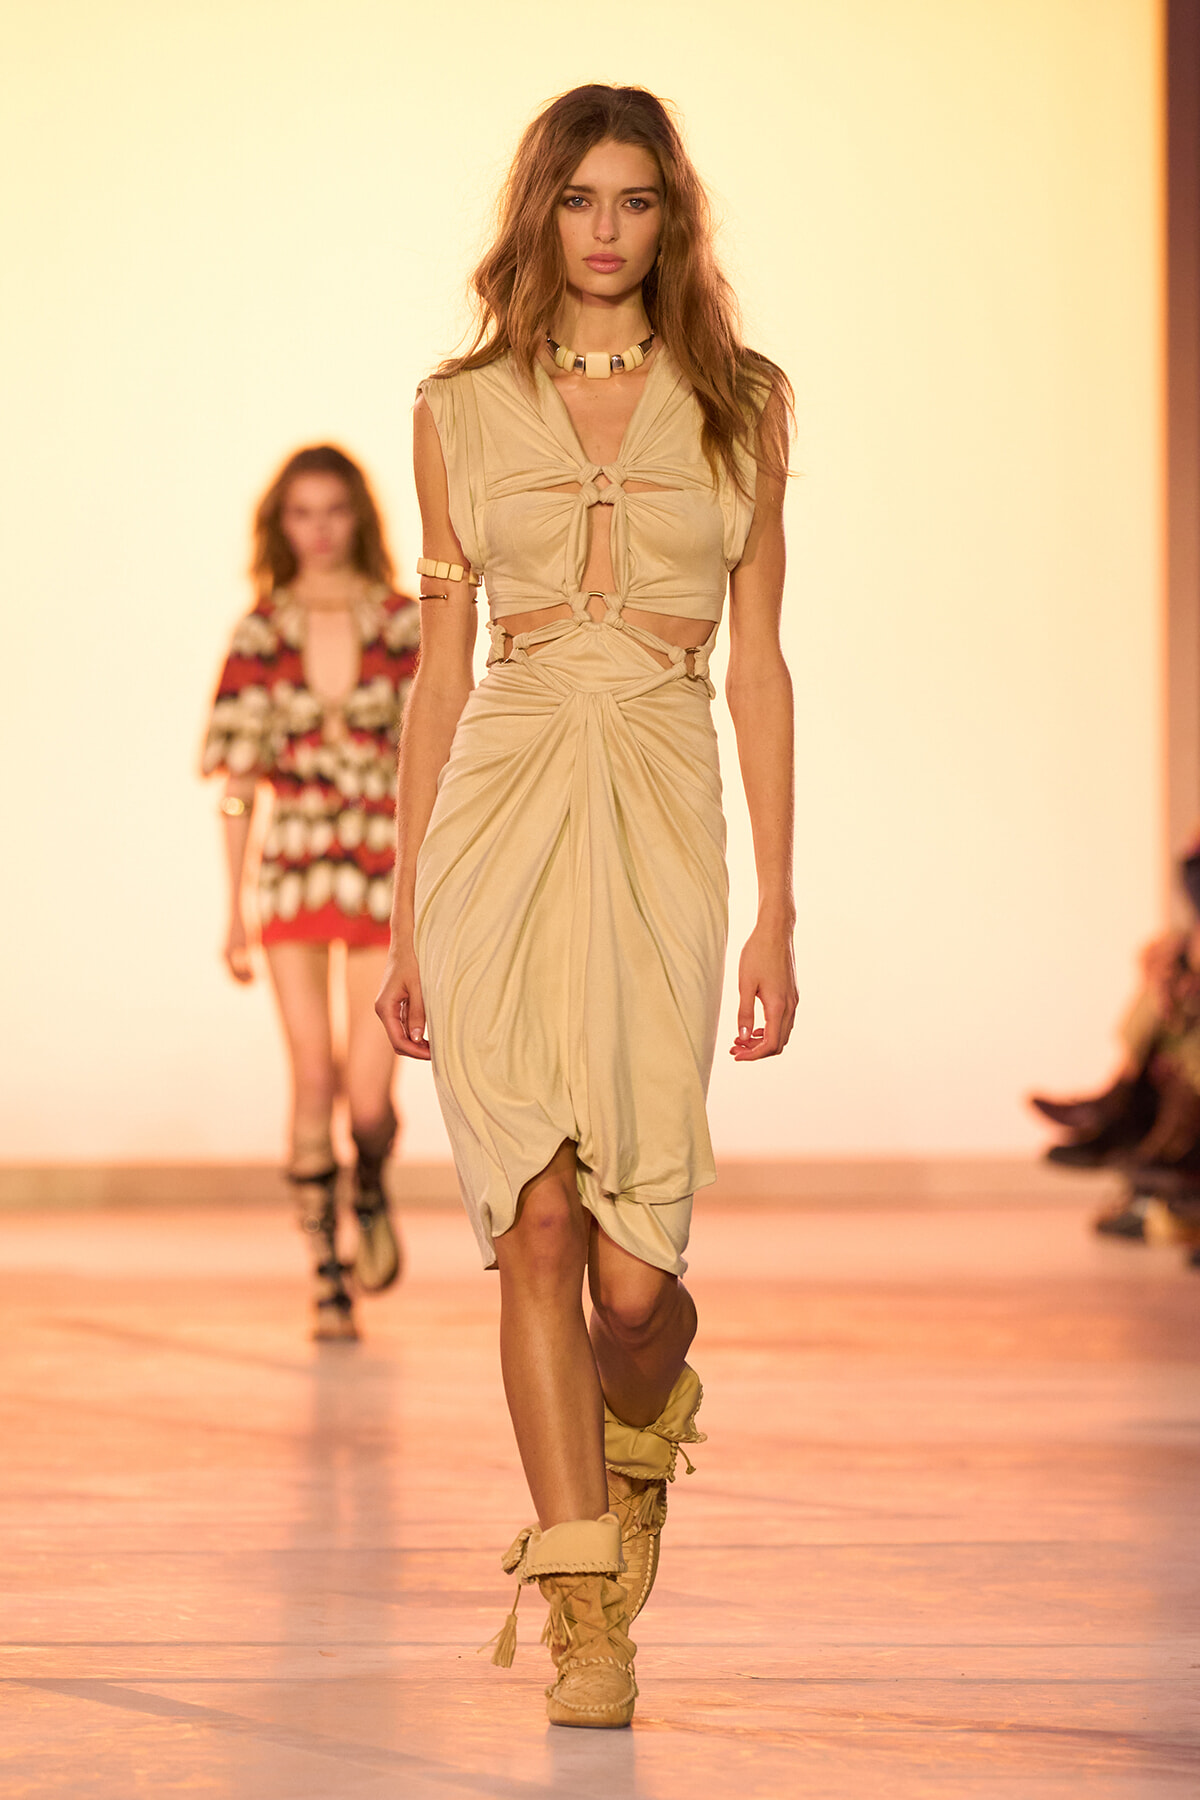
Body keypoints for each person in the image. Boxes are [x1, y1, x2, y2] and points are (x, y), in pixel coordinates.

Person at [375, 86, 797, 1727]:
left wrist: (779, 907)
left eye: (634, 201)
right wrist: (412, 908)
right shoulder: (458, 409)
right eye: (579, 199)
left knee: (631, 1277)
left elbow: (758, 664)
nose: (606, 228)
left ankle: (647, 1403)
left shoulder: (743, 407)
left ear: (668, 222)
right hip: (499, 804)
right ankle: (581, 1607)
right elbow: (435, 672)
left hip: (665, 806)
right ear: (539, 214)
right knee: (532, 1222)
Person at [204, 446, 420, 1340]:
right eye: (302, 512)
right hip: (293, 870)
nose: (319, 528)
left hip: (381, 869)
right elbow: (237, 782)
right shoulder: (260, 631)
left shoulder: (406, 624)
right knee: (314, 1076)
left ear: (357, 517)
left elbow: (436, 760)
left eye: (333, 510)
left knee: (369, 1097)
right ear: (280, 523)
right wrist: (232, 912)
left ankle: (368, 1181)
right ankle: (327, 1275)